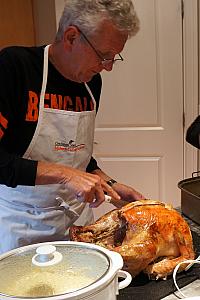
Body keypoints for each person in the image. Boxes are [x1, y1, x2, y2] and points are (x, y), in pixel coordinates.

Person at [0, 0, 144, 254]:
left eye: (114, 58)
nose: (108, 67)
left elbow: (74, 152)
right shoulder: (15, 67)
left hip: (79, 226)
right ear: (71, 36)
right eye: (104, 55)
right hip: (21, 228)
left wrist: (110, 184)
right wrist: (65, 175)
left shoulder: (91, 83)